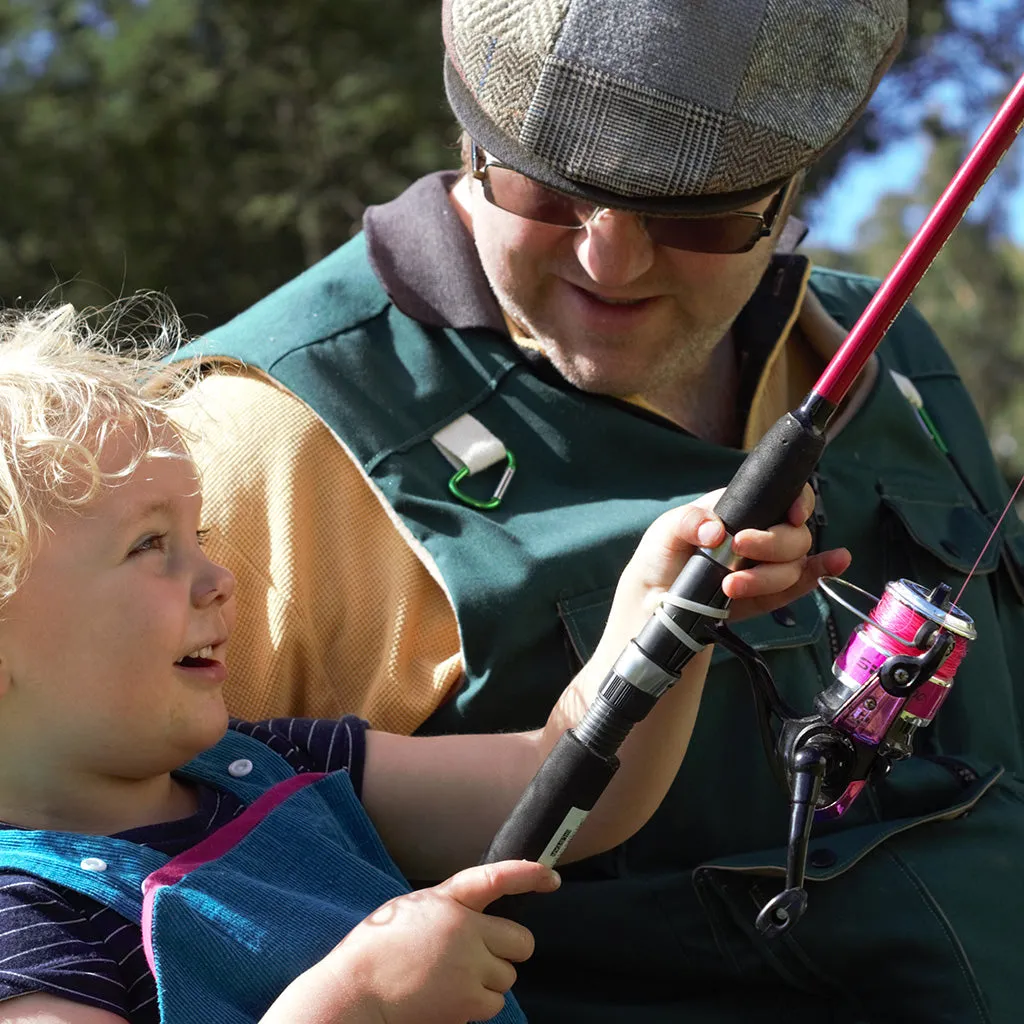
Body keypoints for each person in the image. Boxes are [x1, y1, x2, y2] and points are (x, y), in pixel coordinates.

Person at [169, 1, 1024, 1021]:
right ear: (468, 136)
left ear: (789, 183)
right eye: (548, 187)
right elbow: (104, 894)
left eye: (694, 211)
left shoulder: (901, 368)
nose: (608, 262)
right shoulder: (251, 443)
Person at [0, 303, 818, 1024]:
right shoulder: (26, 932)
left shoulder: (273, 764)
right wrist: (360, 1005)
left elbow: (556, 785)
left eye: (200, 539)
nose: (219, 581)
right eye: (151, 546)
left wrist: (662, 617)